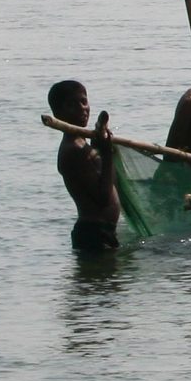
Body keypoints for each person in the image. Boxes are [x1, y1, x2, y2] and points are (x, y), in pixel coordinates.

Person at [48, 79, 121, 253]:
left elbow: (103, 177)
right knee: (104, 279)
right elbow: (103, 197)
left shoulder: (83, 144)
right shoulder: (74, 150)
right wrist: (106, 153)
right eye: (72, 105)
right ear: (58, 114)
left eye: (84, 101)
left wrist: (98, 146)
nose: (82, 108)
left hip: (102, 230)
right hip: (94, 233)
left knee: (101, 279)